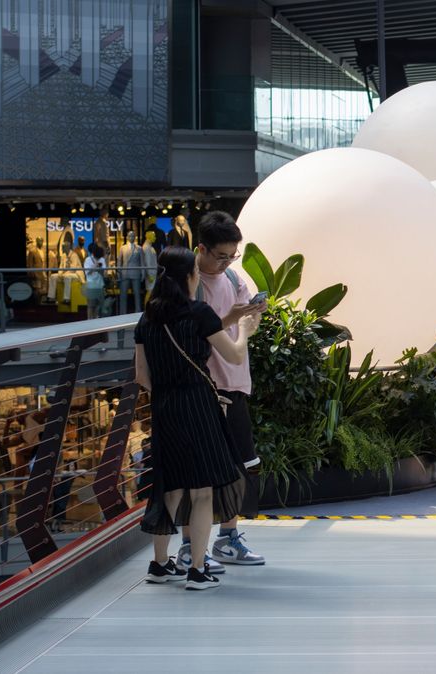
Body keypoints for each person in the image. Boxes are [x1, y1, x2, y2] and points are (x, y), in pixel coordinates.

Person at [134, 246, 259, 590]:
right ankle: (198, 570)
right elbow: (234, 356)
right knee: (202, 492)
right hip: (198, 406)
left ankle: (160, 565)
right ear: (190, 277)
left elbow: (142, 375)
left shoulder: (147, 319)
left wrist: (169, 390)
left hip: (164, 407)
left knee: (170, 488)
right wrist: (245, 329)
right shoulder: (198, 312)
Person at [188, 210, 269, 571]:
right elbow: (192, 332)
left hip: (235, 382)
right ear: (201, 249)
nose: (225, 263)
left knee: (239, 465)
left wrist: (254, 313)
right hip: (205, 385)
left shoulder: (234, 277)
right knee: (200, 471)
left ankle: (227, 537)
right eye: (220, 256)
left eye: (231, 256)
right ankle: (192, 547)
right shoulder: (189, 281)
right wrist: (233, 319)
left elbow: (249, 323)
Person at [82, 243, 107, 319]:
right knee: (91, 306)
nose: (99, 259)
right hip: (91, 285)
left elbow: (104, 272)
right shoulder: (88, 260)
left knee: (98, 306)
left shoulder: (102, 259)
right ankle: (89, 321)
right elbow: (87, 272)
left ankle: (96, 320)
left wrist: (100, 269)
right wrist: (95, 266)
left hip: (100, 285)